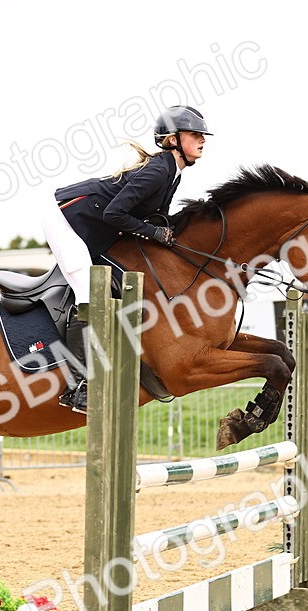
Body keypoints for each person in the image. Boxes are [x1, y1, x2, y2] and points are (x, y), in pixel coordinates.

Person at [45, 105, 212, 412]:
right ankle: (79, 386)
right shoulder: (158, 171)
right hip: (67, 222)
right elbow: (114, 213)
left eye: (202, 135)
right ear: (174, 140)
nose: (202, 140)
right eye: (195, 134)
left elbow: (154, 217)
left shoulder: (171, 172)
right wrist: (153, 233)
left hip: (94, 227)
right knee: (88, 295)